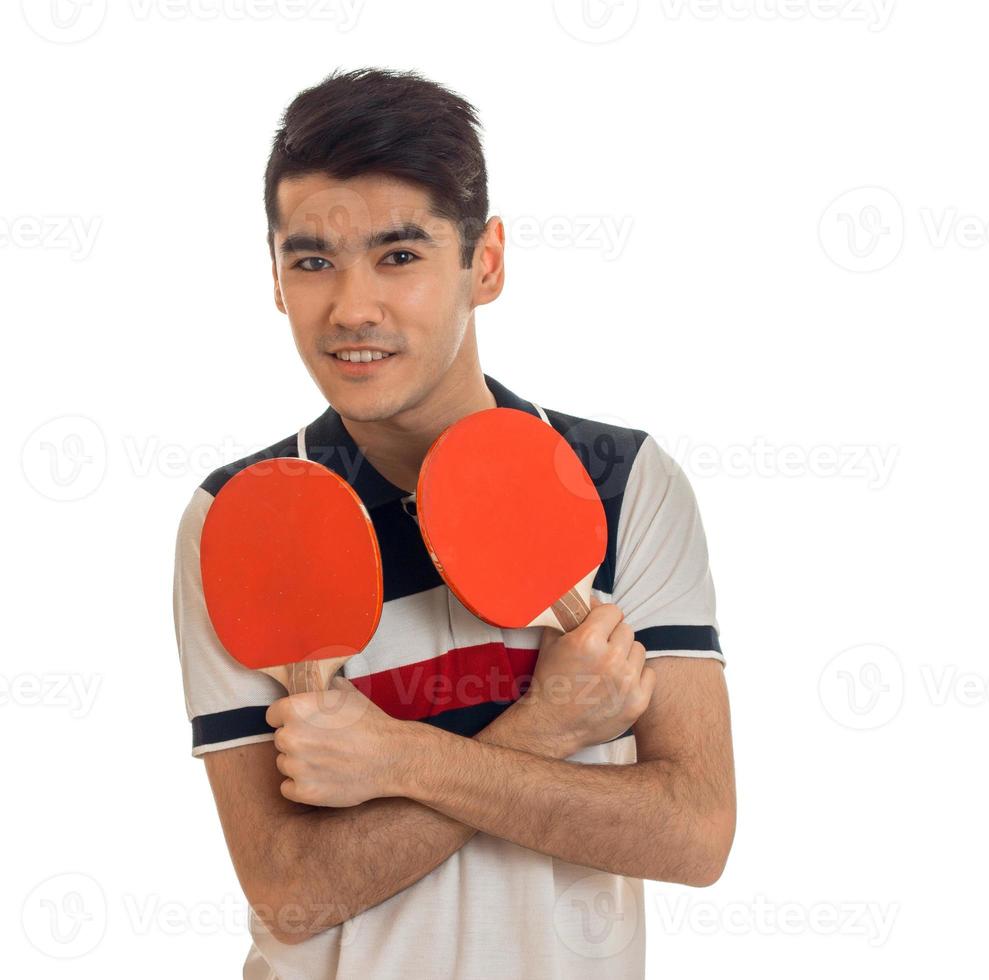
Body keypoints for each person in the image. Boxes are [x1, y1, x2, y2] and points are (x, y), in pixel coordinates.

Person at [174, 67, 735, 980]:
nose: (352, 308)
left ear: (487, 262)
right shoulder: (239, 516)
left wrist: (398, 760)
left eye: (401, 256)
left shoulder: (623, 484)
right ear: (275, 279)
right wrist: (545, 725)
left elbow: (695, 834)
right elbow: (291, 891)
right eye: (312, 259)